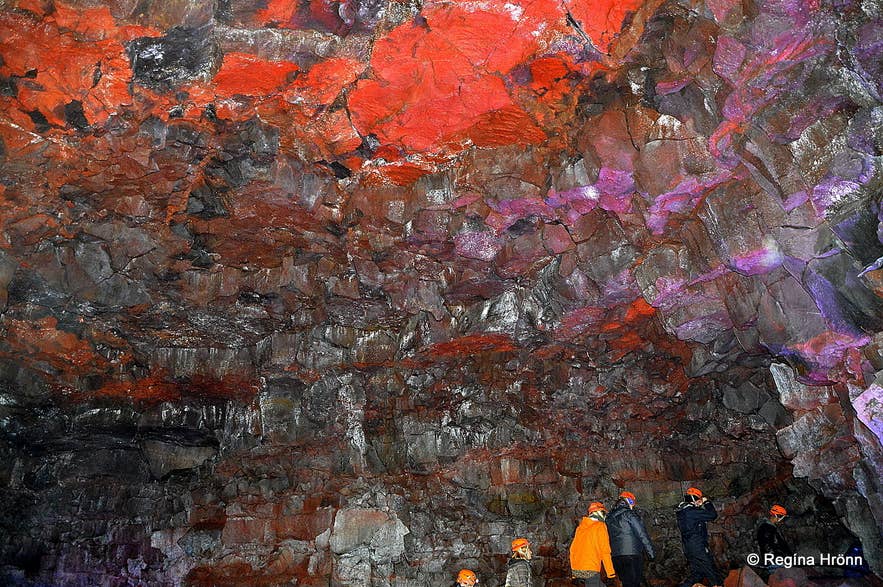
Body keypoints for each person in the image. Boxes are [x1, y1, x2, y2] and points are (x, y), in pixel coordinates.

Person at [676, 487, 723, 587]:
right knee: (712, 572)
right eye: (699, 500)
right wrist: (706, 503)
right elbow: (712, 515)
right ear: (694, 500)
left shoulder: (683, 511)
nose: (699, 502)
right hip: (697, 547)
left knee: (697, 574)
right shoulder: (691, 512)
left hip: (689, 548)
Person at [607, 490, 655, 587]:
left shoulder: (609, 517)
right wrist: (651, 553)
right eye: (632, 502)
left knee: (626, 583)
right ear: (628, 501)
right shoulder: (629, 514)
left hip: (616, 557)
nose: (633, 506)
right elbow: (641, 534)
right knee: (634, 583)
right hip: (632, 555)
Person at [569, 501, 617, 586]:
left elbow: (573, 550)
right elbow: (605, 552)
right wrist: (611, 574)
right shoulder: (600, 526)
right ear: (599, 513)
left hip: (578, 570)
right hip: (591, 569)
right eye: (604, 513)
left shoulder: (580, 528)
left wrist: (574, 575)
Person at [755, 504, 792, 580]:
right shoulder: (766, 528)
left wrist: (789, 555)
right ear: (776, 516)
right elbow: (767, 546)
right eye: (782, 517)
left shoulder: (772, 528)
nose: (782, 520)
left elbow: (781, 544)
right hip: (774, 561)